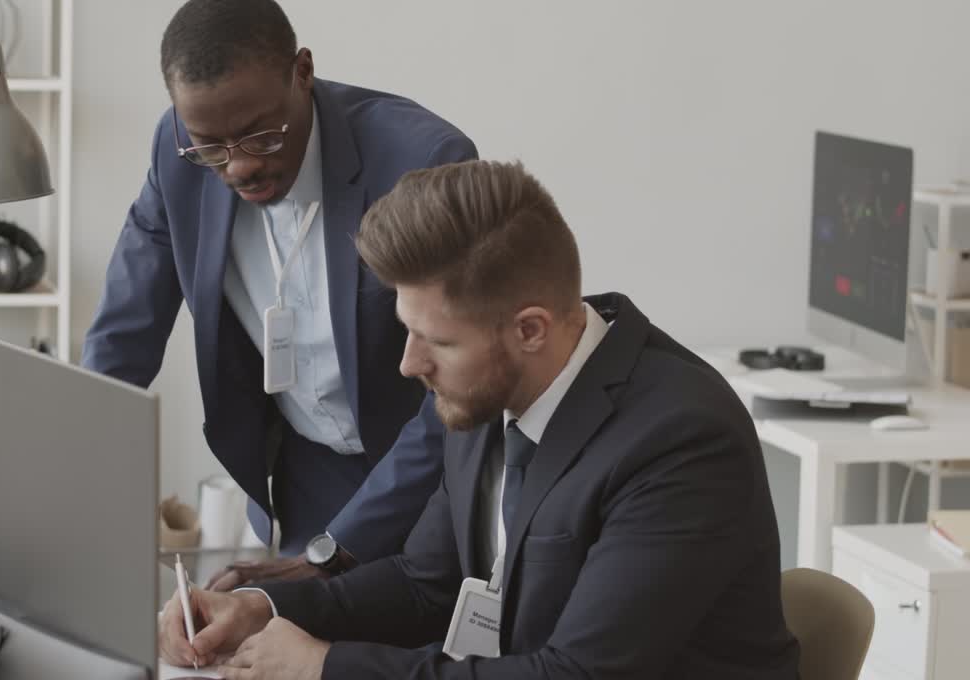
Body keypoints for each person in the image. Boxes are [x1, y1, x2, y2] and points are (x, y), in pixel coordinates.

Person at [159, 159, 801, 679]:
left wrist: (326, 668)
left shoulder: (680, 440)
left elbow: (576, 674)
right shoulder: (487, 391)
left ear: (529, 329)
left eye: (435, 342)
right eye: (407, 332)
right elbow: (425, 585)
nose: (410, 364)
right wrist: (260, 609)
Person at [82, 0, 477, 588]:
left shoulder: (421, 161)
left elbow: (456, 388)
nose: (237, 166)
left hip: (429, 475)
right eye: (211, 147)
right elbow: (123, 333)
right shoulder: (176, 151)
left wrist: (332, 554)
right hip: (304, 473)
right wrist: (69, 479)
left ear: (304, 72)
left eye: (260, 135)